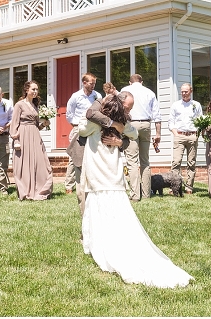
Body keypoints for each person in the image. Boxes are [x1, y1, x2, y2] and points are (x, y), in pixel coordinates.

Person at [80, 92, 192, 288]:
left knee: (101, 206)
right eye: (128, 108)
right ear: (119, 105)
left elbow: (85, 129)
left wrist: (119, 139)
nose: (129, 111)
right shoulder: (104, 120)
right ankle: (100, 240)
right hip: (106, 172)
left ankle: (101, 244)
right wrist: (117, 128)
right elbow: (95, 122)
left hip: (103, 173)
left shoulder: (115, 124)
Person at [70, 82, 124, 216]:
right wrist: (113, 123)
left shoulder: (120, 116)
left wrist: (120, 142)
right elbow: (89, 114)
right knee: (82, 191)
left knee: (96, 190)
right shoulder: (99, 101)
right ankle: (86, 224)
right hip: (83, 149)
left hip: (100, 159)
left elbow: (131, 134)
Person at [120, 74, 162, 201]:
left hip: (131, 124)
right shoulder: (150, 92)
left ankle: (135, 195)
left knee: (132, 161)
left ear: (130, 82)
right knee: (145, 161)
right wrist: (158, 133)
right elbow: (157, 115)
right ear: (141, 82)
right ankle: (146, 193)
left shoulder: (124, 91)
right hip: (146, 125)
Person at [10, 80, 53, 200]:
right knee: (24, 164)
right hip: (23, 135)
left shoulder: (35, 105)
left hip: (35, 136)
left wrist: (44, 124)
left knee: (41, 163)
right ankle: (26, 191)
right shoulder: (19, 105)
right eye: (33, 89)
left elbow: (36, 126)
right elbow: (14, 124)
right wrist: (16, 140)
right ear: (26, 90)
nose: (35, 91)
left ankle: (40, 189)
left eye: (36, 89)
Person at [64, 73, 101, 195]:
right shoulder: (76, 96)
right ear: (84, 83)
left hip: (93, 129)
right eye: (91, 83)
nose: (93, 86)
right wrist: (76, 125)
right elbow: (69, 113)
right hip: (79, 128)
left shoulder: (97, 96)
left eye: (94, 83)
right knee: (74, 157)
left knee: (93, 155)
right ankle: (69, 185)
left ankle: (91, 183)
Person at [168, 83, 202, 195]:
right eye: (182, 91)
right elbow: (171, 121)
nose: (183, 93)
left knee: (191, 163)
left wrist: (196, 134)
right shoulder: (176, 105)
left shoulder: (196, 105)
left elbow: (200, 120)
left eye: (186, 91)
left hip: (192, 135)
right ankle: (174, 187)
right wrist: (175, 133)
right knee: (176, 162)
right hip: (179, 135)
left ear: (190, 91)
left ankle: (189, 187)